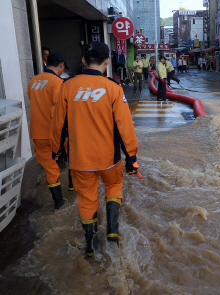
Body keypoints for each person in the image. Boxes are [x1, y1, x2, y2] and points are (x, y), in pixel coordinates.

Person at [51, 41, 139, 258]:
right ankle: (112, 231)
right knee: (114, 185)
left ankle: (90, 245)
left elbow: (58, 124)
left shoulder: (67, 86)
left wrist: (56, 151)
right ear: (107, 61)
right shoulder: (113, 88)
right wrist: (132, 159)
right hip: (109, 158)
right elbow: (124, 127)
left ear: (83, 61)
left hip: (80, 159)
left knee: (87, 199)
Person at [28, 52, 69, 211]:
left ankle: (58, 202)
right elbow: (59, 112)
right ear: (61, 65)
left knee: (49, 168)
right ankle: (69, 191)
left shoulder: (33, 81)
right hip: (54, 133)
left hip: (37, 133)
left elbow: (33, 100)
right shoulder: (57, 82)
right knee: (70, 156)